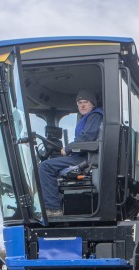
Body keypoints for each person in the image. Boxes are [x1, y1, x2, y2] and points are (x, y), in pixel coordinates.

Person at [38, 89, 103, 218]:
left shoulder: (95, 116)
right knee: (52, 160)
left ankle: (53, 208)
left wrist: (68, 149)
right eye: (80, 103)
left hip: (86, 159)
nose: (82, 105)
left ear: (93, 104)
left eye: (86, 102)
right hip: (81, 155)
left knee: (45, 167)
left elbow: (87, 137)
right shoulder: (89, 117)